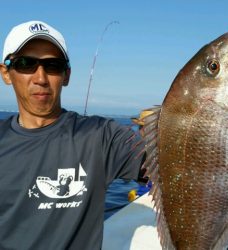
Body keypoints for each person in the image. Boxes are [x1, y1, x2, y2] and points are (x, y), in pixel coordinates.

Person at [0, 20, 145, 250]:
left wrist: (171, 125)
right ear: (6, 73)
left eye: (53, 66)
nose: (40, 77)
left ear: (66, 75)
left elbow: (172, 163)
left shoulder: (102, 136)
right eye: (26, 63)